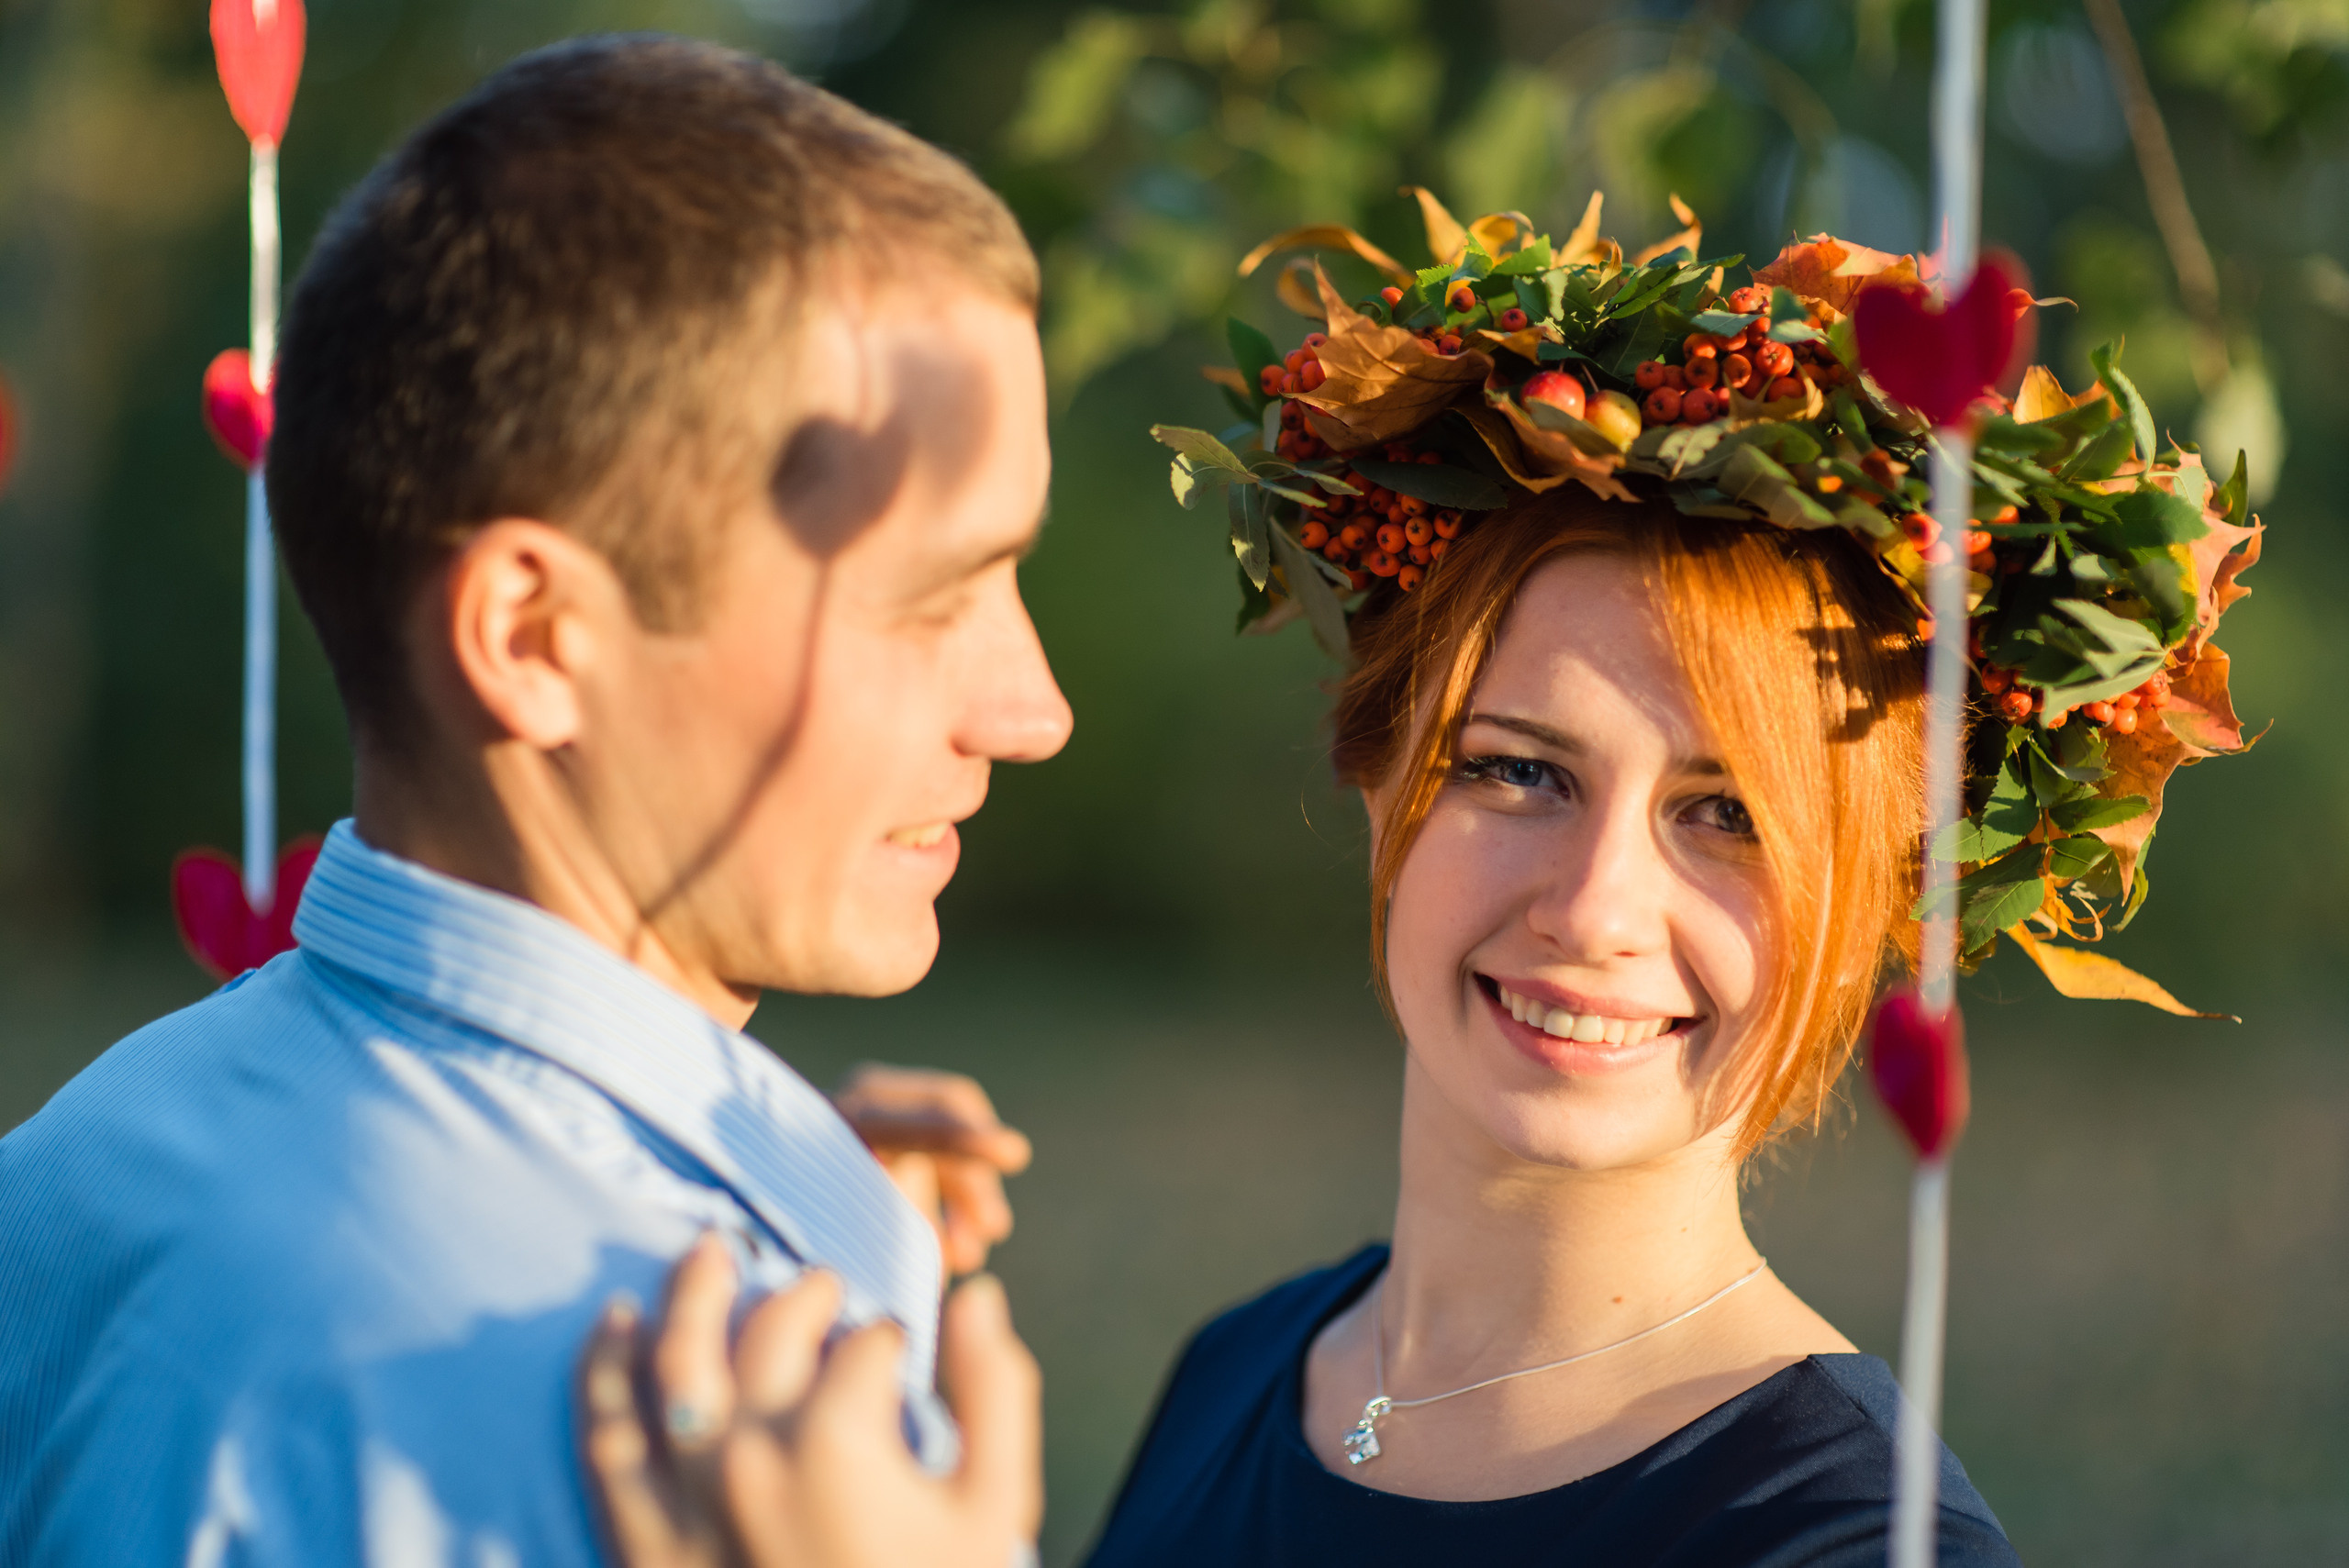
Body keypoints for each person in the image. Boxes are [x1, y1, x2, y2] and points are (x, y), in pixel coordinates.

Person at [0, 36, 1063, 1568]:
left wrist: (749, 1164)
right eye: (930, 599)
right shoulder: (669, 1413)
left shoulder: (89, 1158)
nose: (1032, 710)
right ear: (533, 638)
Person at [589, 491, 2024, 1564]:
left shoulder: (1841, 1541)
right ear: (1377, 775)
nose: (1598, 908)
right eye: (1521, 771)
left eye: (1728, 817)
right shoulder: (1255, 1360)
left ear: (1881, 902)